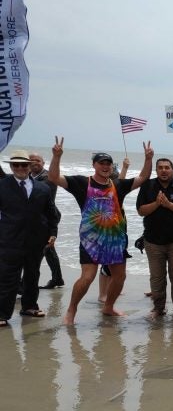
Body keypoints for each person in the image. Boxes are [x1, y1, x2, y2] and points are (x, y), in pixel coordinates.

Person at [48, 137, 153, 324]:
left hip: (115, 239)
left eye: (108, 164)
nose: (105, 166)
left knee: (120, 276)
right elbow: (54, 178)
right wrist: (56, 157)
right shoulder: (82, 183)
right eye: (101, 163)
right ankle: (71, 310)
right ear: (94, 165)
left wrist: (148, 159)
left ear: (112, 167)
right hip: (91, 240)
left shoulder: (118, 185)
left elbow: (143, 177)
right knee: (87, 277)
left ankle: (109, 306)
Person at [0, 153, 59, 327]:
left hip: (36, 240)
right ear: (11, 167)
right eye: (16, 165)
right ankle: (2, 313)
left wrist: (53, 233)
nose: (20, 168)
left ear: (30, 166)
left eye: (23, 165)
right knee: (8, 277)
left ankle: (29, 307)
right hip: (10, 240)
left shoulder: (43, 188)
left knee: (33, 274)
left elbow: (51, 214)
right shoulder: (2, 186)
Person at [136, 158, 173, 318]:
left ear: (172, 169)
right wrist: (156, 204)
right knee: (156, 278)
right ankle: (158, 308)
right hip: (153, 240)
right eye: (160, 167)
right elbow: (141, 210)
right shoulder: (148, 186)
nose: (163, 170)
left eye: (167, 167)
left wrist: (169, 205)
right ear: (156, 170)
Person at [28, 152, 65, 289]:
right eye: (31, 160)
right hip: (36, 219)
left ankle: (25, 283)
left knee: (40, 249)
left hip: (48, 218)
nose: (34, 162)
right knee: (48, 249)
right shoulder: (28, 176)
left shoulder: (47, 177)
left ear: (43, 163)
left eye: (37, 160)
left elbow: (36, 193)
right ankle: (57, 278)